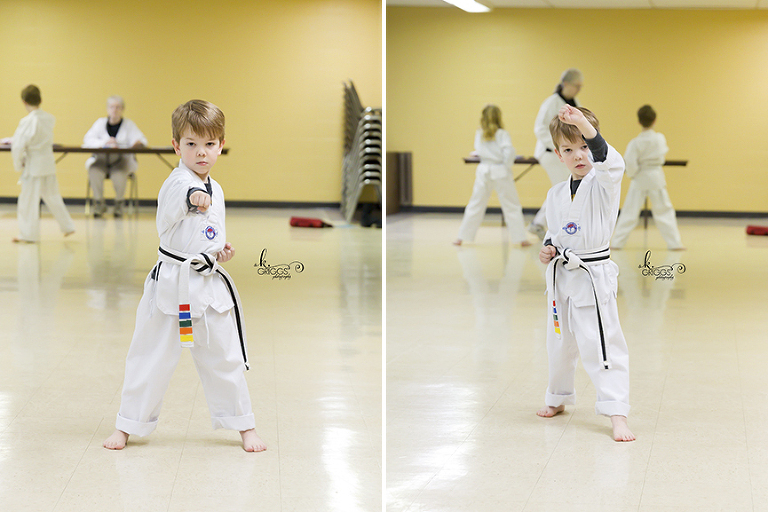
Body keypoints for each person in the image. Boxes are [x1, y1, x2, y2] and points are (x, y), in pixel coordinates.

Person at [103, 100, 266, 452]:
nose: (201, 153)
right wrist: (194, 197)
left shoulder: (217, 188)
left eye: (209, 144)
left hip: (207, 284)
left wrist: (218, 251)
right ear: (177, 146)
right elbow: (182, 201)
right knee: (150, 356)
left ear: (221, 145)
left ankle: (244, 425)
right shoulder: (177, 182)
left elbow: (206, 232)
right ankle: (127, 426)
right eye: (191, 144)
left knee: (225, 355)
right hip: (171, 285)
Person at [537, 105, 634, 442]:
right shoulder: (555, 193)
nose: (578, 155)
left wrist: (581, 124)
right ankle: (558, 398)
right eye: (568, 149)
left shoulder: (604, 182)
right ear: (557, 154)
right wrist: (548, 248)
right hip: (562, 277)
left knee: (601, 345)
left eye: (583, 147)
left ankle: (617, 411)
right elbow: (554, 232)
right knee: (559, 344)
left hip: (592, 276)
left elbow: (610, 160)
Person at [453, 105, 531, 247]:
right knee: (511, 206)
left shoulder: (479, 133)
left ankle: (461, 237)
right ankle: (521, 239)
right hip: (500, 171)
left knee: (475, 204)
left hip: (484, 170)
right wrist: (506, 166)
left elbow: (479, 150)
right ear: (498, 117)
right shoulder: (502, 133)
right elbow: (509, 152)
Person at [611, 105, 685, 250]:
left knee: (629, 212)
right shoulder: (660, 139)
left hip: (639, 178)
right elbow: (662, 156)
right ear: (655, 120)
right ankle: (675, 244)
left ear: (639, 122)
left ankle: (616, 243)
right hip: (656, 176)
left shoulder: (635, 143)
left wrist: (632, 174)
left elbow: (630, 163)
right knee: (664, 211)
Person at [10, 85, 75, 243]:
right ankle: (68, 226)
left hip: (33, 167)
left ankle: (27, 235)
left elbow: (18, 146)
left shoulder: (27, 121)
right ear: (40, 100)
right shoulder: (48, 118)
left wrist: (18, 164)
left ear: (24, 102)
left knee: (27, 201)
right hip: (47, 164)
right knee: (53, 197)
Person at [528, 69, 583, 239]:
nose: (579, 89)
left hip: (564, 153)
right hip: (550, 153)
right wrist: (557, 146)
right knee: (563, 189)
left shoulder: (575, 101)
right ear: (565, 84)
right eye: (576, 86)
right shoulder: (551, 102)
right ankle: (540, 224)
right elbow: (539, 128)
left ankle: (538, 223)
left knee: (565, 188)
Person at [83, 95, 147, 217]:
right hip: (101, 160)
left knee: (119, 174)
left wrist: (137, 143)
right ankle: (99, 203)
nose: (115, 110)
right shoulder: (99, 123)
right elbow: (87, 140)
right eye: (112, 107)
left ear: (122, 109)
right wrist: (104, 143)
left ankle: (119, 204)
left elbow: (141, 140)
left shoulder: (129, 125)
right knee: (93, 170)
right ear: (107, 109)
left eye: (118, 107)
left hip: (120, 161)